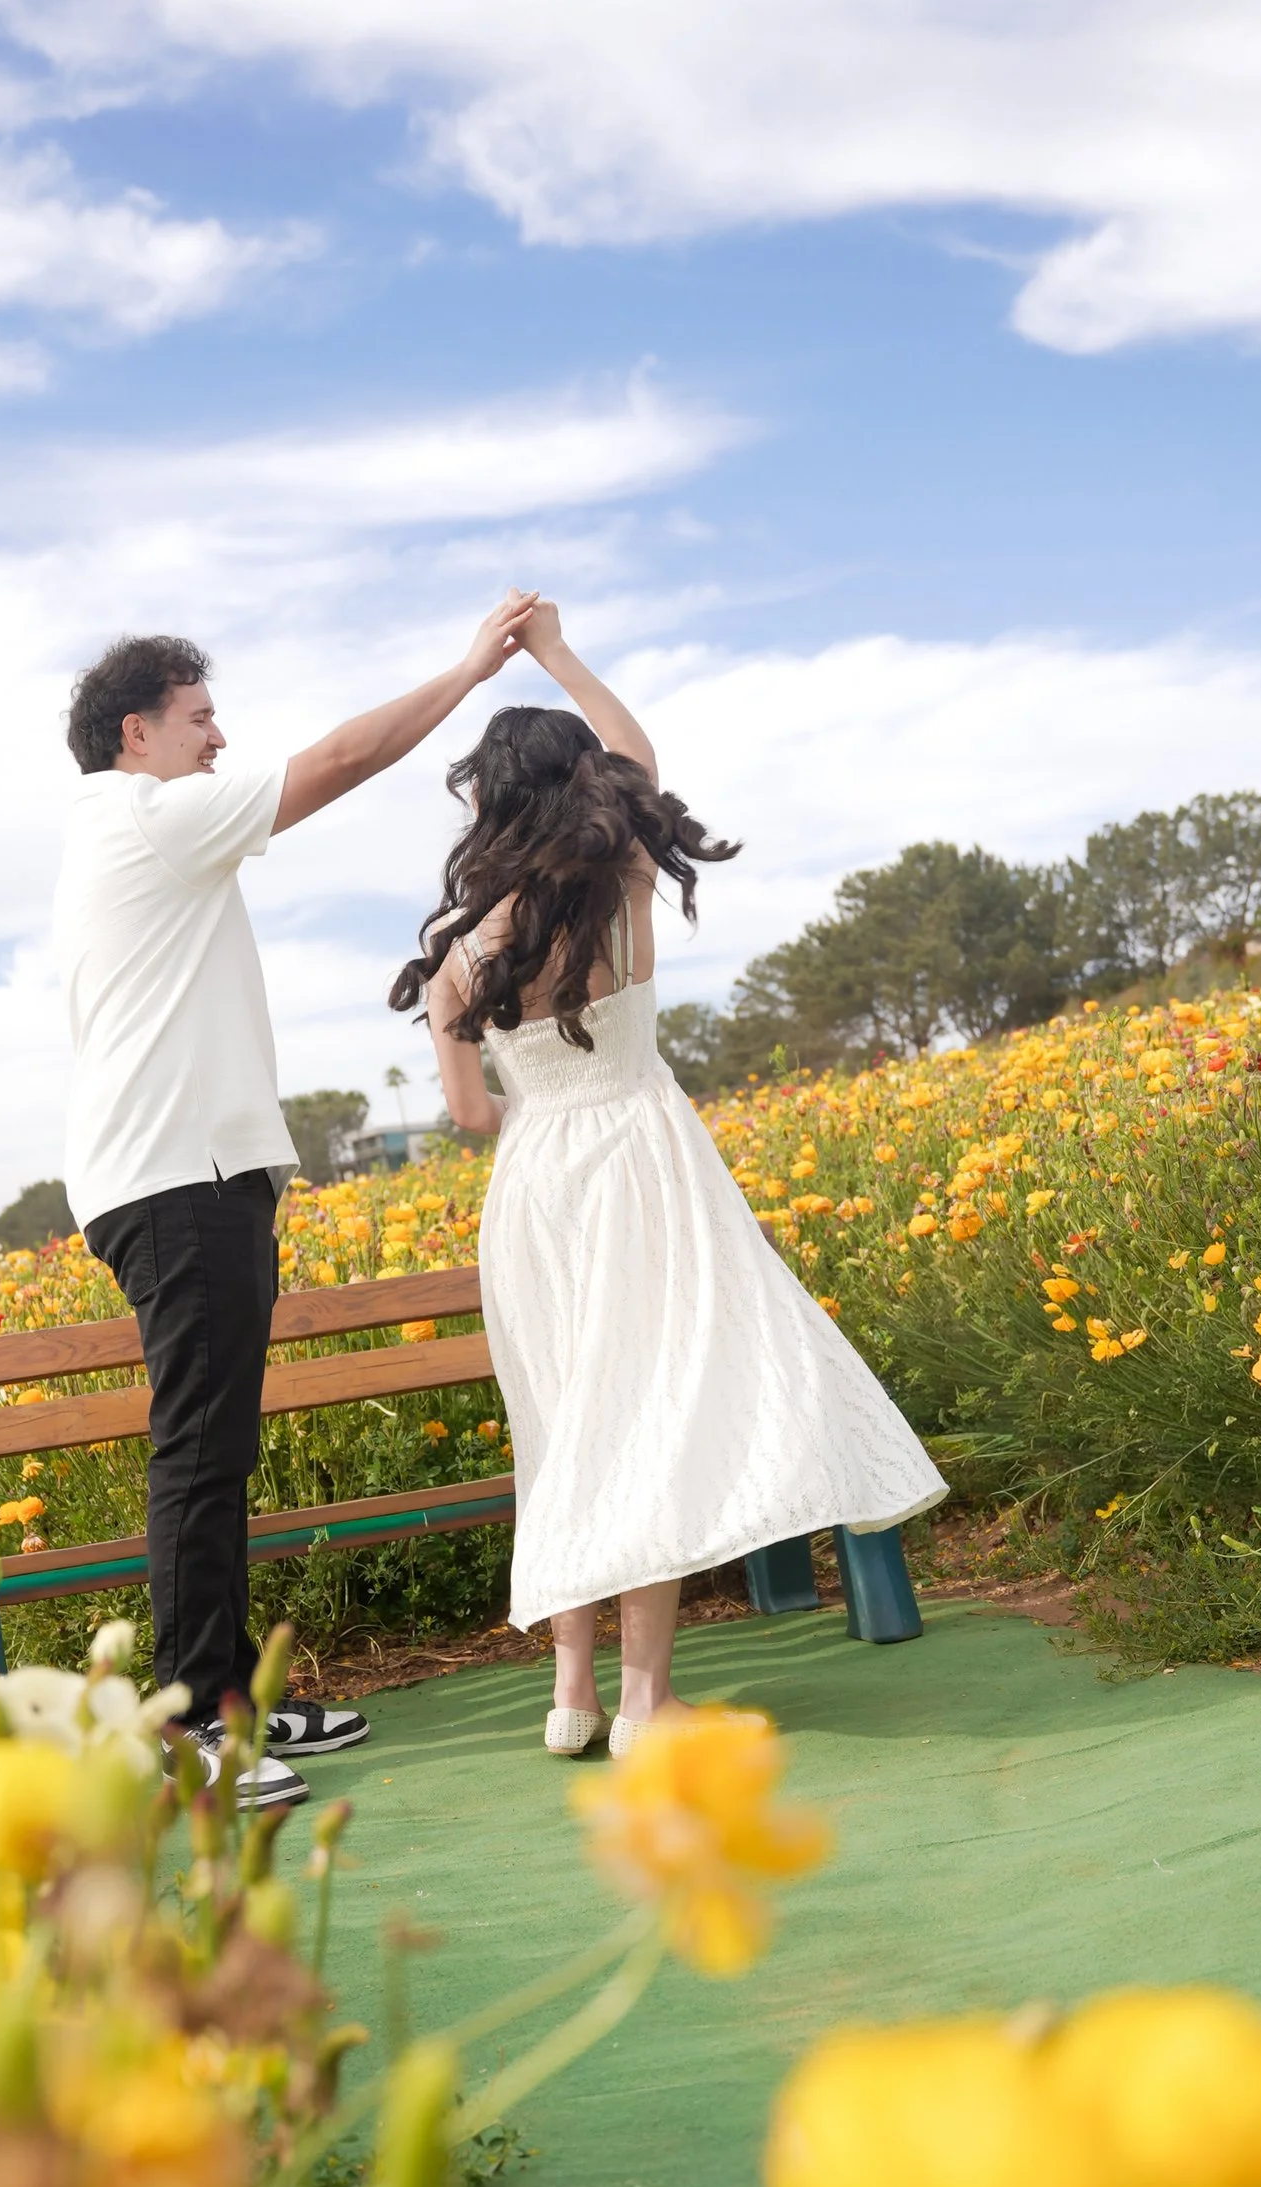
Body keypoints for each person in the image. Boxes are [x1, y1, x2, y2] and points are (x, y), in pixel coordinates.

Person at [392, 601, 945, 1756]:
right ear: (577, 790)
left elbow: (470, 1115)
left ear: (485, 806)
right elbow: (637, 759)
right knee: (645, 1412)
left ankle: (571, 1698)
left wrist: (538, 1101)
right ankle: (647, 1703)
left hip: (536, 1181)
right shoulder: (620, 880)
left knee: (564, 1424)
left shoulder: (454, 955)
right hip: (637, 1158)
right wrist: (554, 652)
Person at [56, 602, 536, 1806]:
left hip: (187, 1177)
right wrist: (466, 670)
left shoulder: (135, 829)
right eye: (200, 718)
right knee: (199, 1453)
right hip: (179, 1180)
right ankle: (189, 1725)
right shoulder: (148, 815)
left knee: (215, 1450)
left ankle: (224, 1701)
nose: (219, 738)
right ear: (135, 735)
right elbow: (340, 760)